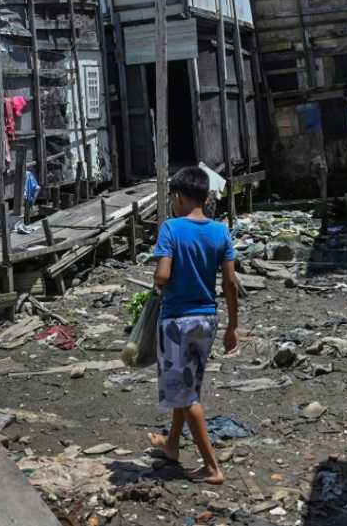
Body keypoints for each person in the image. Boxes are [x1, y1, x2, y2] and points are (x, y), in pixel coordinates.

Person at [147, 166, 239, 485]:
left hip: (177, 321)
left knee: (185, 394)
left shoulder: (171, 228)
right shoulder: (220, 232)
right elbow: (229, 282)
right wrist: (233, 327)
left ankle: (212, 467)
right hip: (208, 319)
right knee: (188, 384)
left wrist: (158, 284)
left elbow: (162, 275)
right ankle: (172, 445)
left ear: (180, 197)